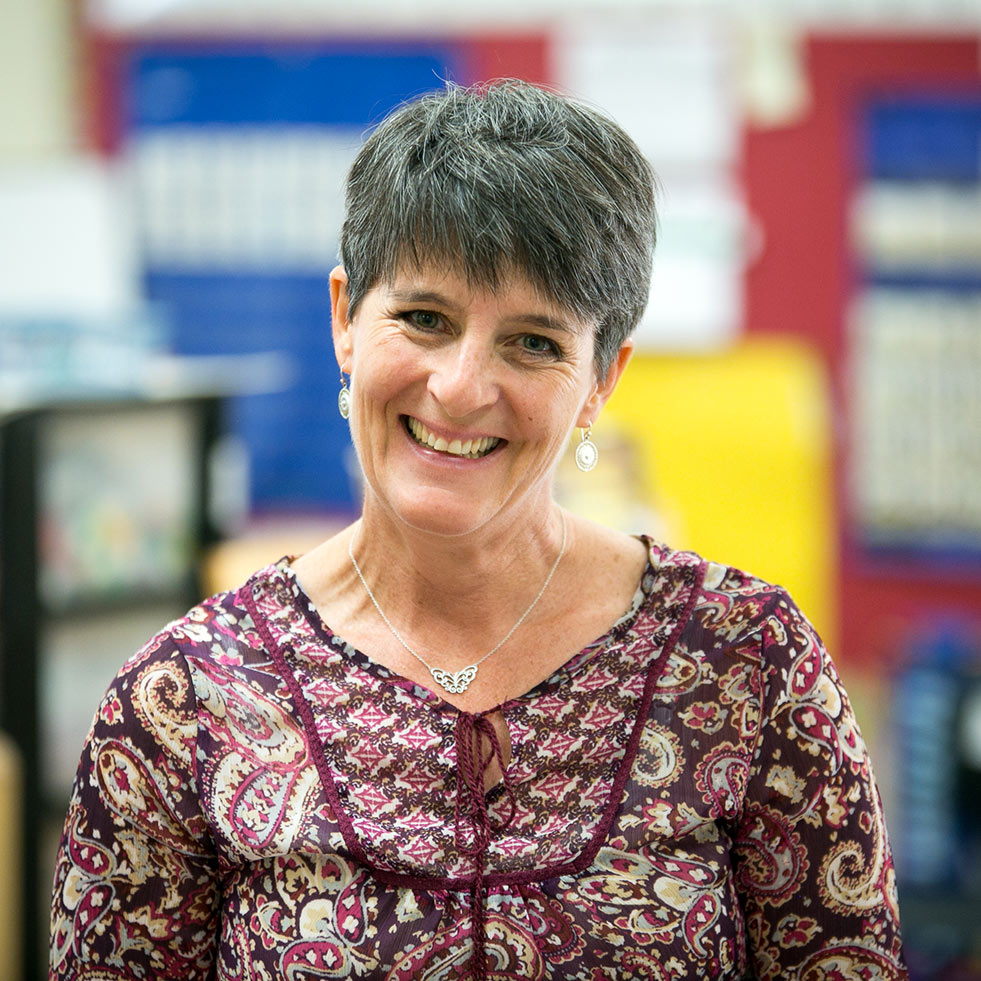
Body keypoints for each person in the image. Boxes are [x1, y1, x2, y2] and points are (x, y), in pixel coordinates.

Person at [49, 79, 907, 980]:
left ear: (602, 378)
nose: (460, 388)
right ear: (344, 317)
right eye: (423, 318)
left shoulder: (749, 665)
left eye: (533, 342)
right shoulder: (182, 701)